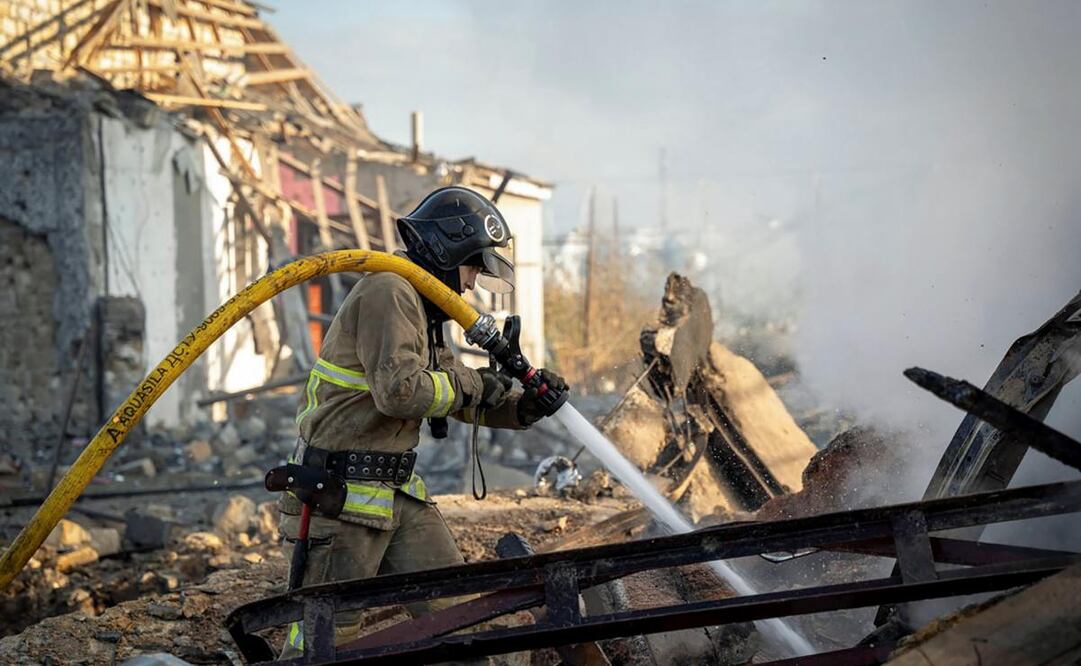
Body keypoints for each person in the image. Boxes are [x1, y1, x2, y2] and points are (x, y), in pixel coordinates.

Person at [278, 186, 566, 655]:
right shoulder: (389, 291)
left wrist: (522, 405)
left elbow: (452, 393)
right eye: (474, 266)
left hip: (394, 494)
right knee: (323, 643)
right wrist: (477, 384)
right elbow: (401, 393)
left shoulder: (425, 315)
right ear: (448, 249)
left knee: (459, 621)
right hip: (340, 495)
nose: (471, 284)